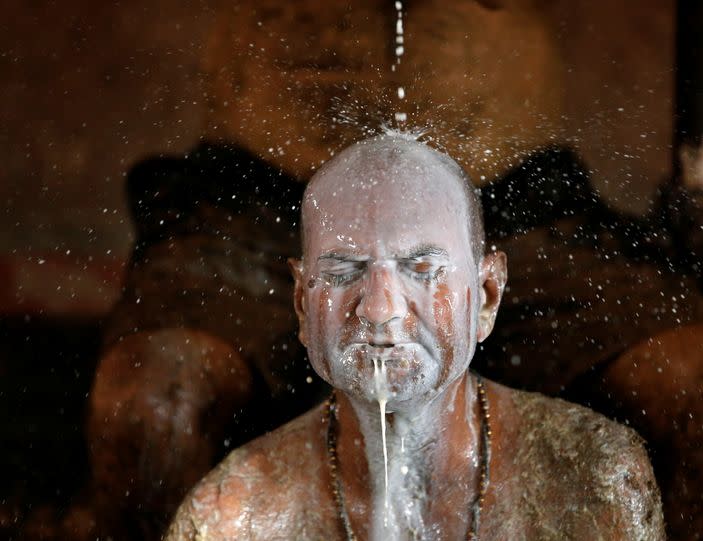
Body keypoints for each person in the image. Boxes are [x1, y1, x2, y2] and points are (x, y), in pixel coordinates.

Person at [165, 134, 665, 540]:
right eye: (342, 272)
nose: (380, 309)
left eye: (422, 268)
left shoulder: (593, 482)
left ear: (487, 294)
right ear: (301, 302)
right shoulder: (232, 518)